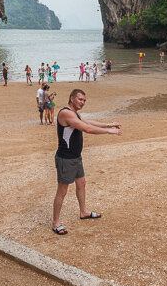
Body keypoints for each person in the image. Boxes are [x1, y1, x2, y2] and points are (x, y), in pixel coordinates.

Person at [51, 89, 121, 234]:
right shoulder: (65, 113)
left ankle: (83, 212)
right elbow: (87, 129)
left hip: (76, 157)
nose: (82, 103)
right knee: (62, 191)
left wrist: (109, 124)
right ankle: (55, 222)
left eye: (84, 100)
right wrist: (110, 132)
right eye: (80, 99)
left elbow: (88, 122)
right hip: (66, 158)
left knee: (81, 184)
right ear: (72, 99)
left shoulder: (75, 114)